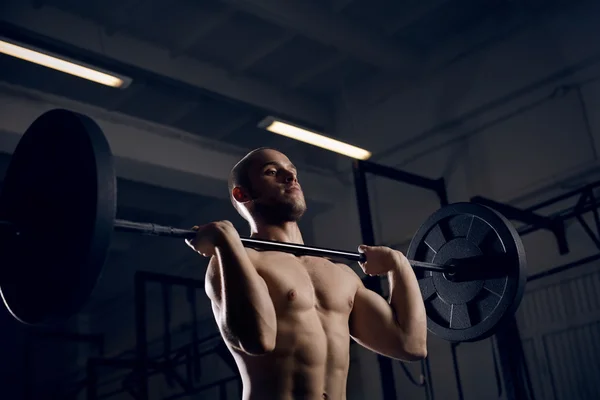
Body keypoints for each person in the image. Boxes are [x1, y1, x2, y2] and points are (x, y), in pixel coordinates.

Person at [185, 148, 427, 400]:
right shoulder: (238, 261)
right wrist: (226, 243)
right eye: (272, 172)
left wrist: (398, 265)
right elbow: (258, 340)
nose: (290, 176)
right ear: (242, 193)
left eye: (292, 171)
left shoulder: (340, 274)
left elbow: (410, 345)